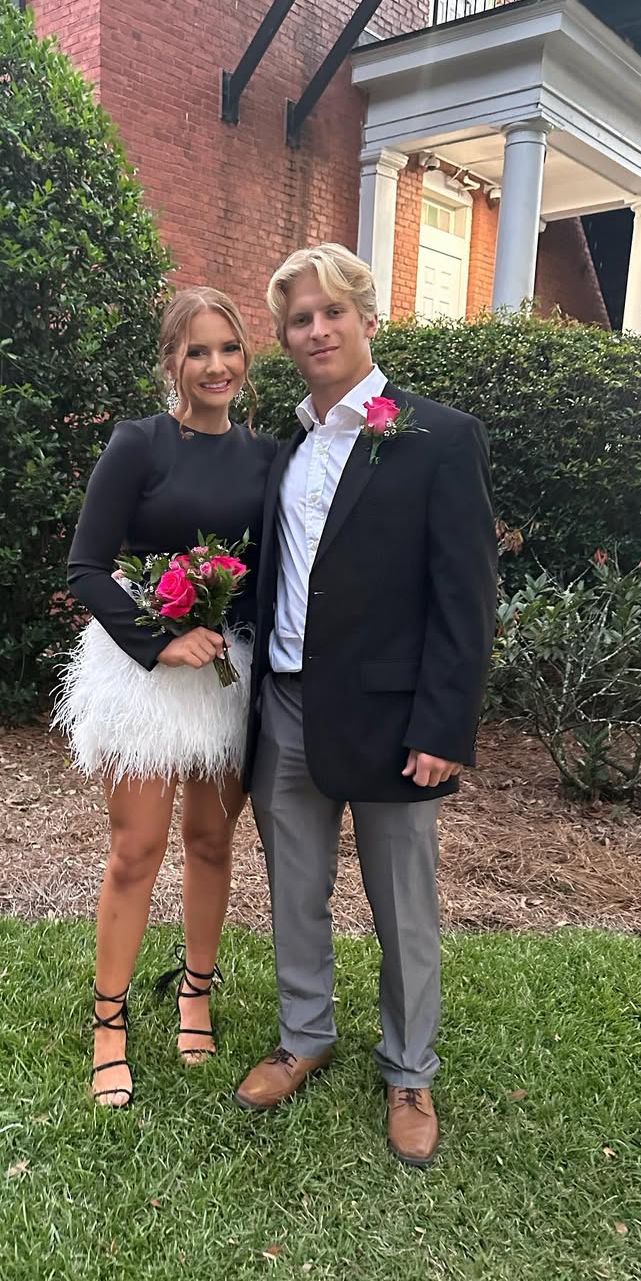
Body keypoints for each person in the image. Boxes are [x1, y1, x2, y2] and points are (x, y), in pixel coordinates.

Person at [234, 244, 497, 1167]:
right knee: (294, 890)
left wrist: (443, 725)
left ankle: (409, 1069)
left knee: (403, 906)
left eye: (332, 313)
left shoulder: (438, 438)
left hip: (393, 723)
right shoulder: (284, 450)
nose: (317, 331)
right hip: (286, 708)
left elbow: (465, 598)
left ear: (368, 318)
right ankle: (303, 1035)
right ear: (286, 338)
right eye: (299, 320)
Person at [55, 288, 275, 1108]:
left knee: (212, 843)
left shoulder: (266, 457)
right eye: (197, 351)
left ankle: (196, 994)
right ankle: (109, 1024)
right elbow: (85, 567)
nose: (216, 366)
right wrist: (159, 641)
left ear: (246, 356)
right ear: (172, 362)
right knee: (138, 848)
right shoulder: (139, 444)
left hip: (227, 675)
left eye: (229, 348)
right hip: (141, 673)